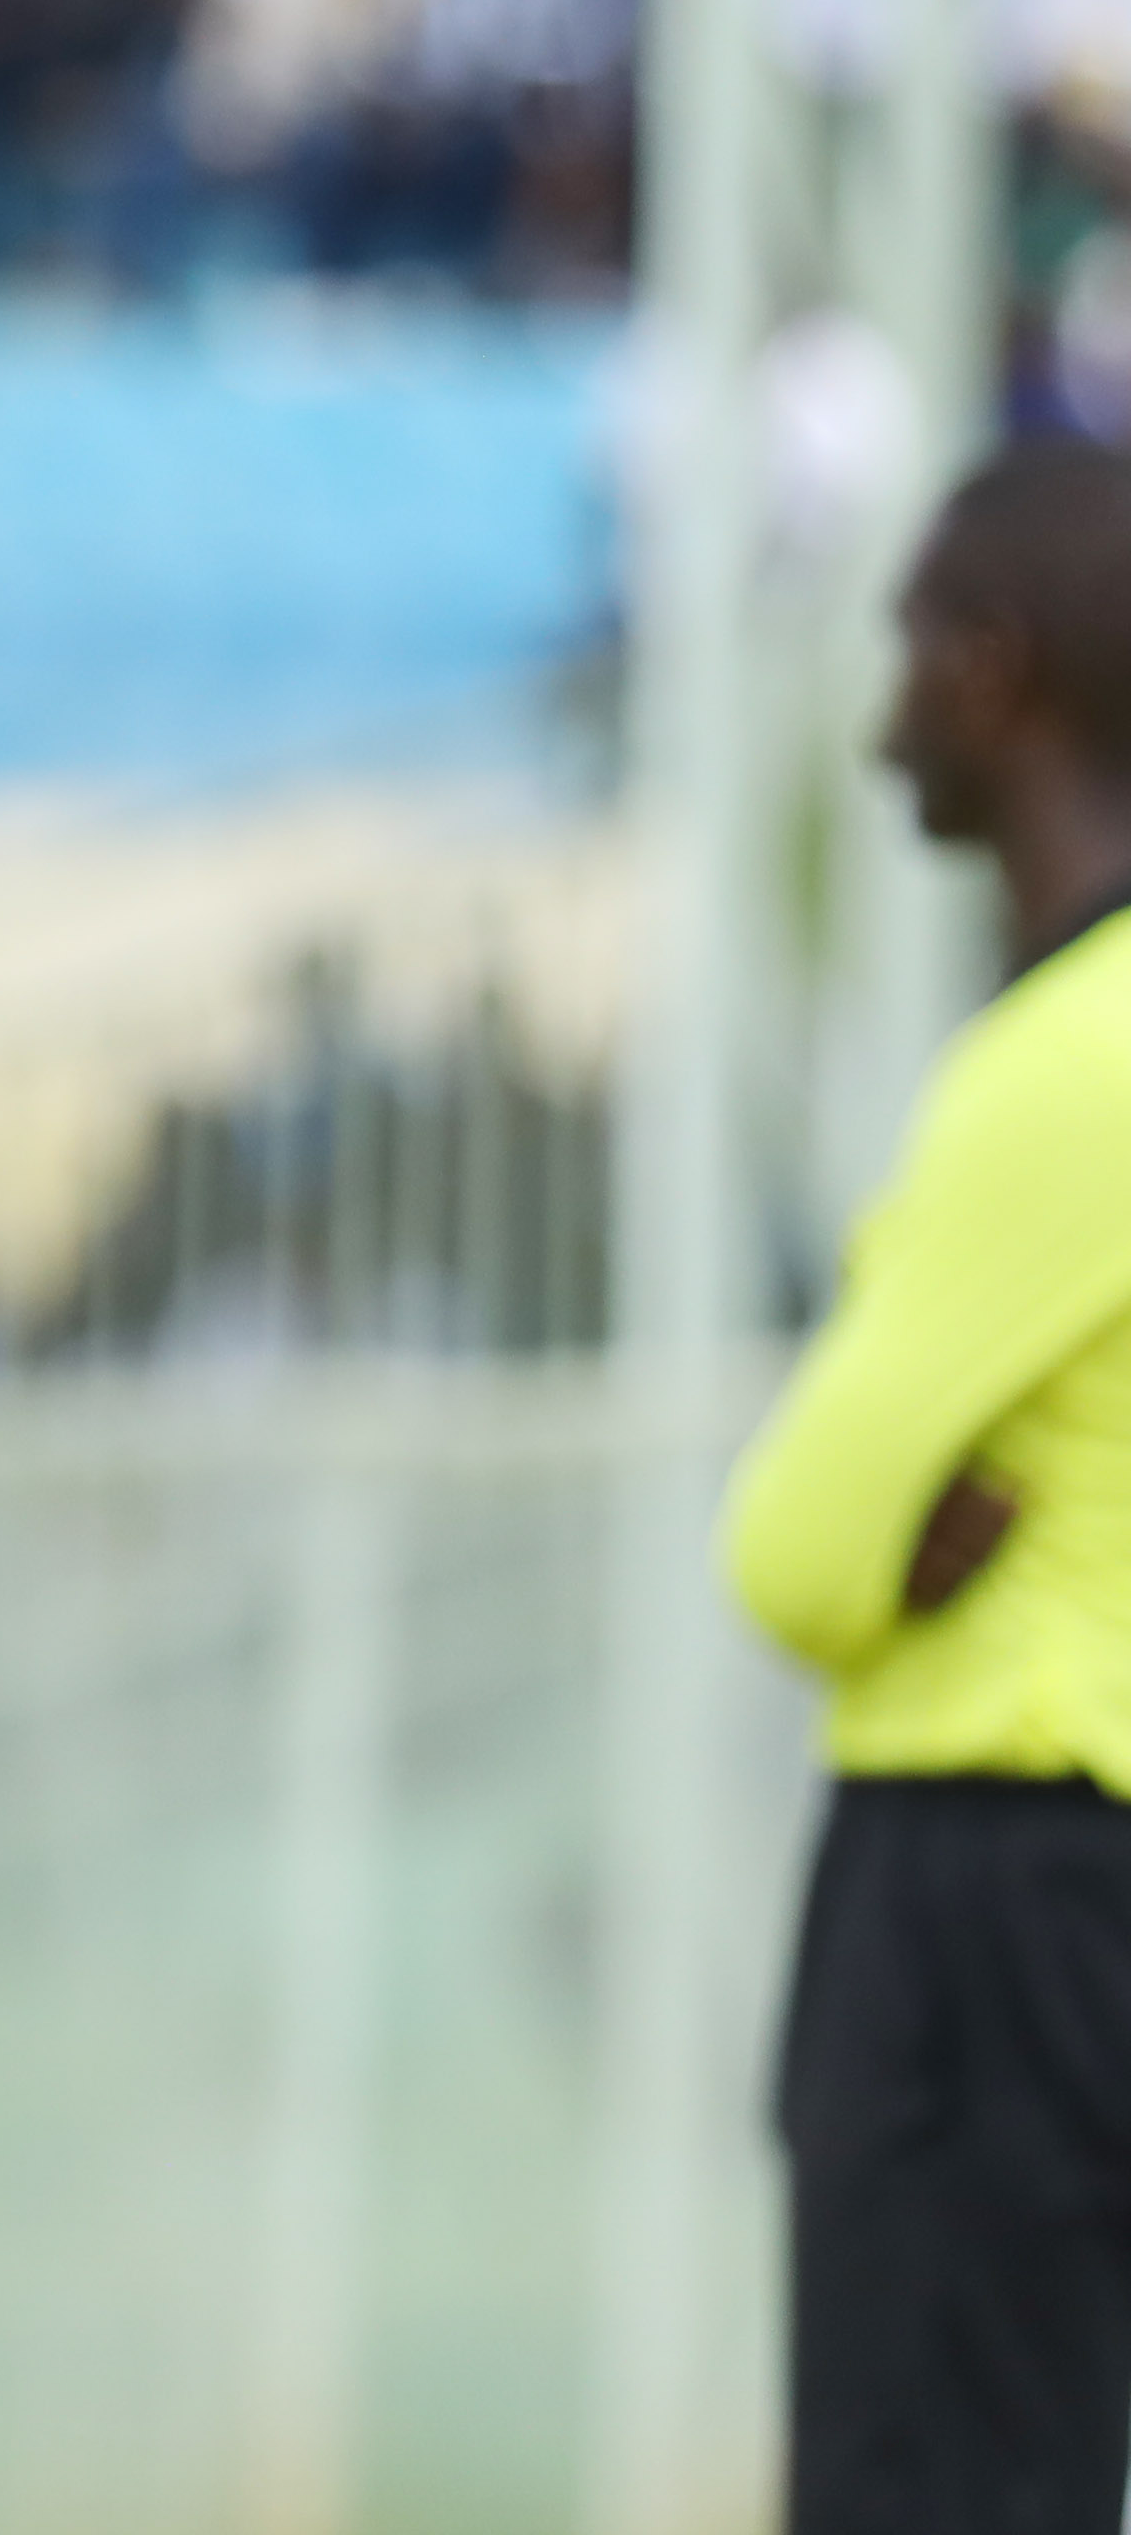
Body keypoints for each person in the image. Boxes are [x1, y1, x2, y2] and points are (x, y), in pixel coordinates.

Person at [720, 437, 1131, 2535]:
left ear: (996, 666)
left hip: (995, 1875)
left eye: (902, 647)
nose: (882, 712)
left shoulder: (1066, 1061)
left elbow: (793, 1545)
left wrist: (880, 1542)